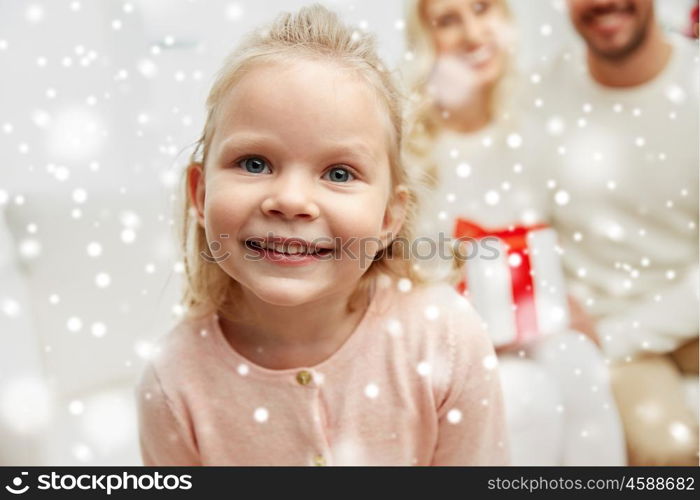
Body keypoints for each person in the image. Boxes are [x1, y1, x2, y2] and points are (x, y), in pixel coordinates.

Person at [135, 5, 509, 466]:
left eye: (338, 172)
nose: (291, 200)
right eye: (255, 163)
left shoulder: (446, 338)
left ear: (390, 215)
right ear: (200, 191)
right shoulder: (172, 381)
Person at [404, 0, 626, 465]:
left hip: (535, 328)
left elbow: (572, 243)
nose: (471, 34)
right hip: (456, 340)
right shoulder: (412, 151)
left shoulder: (534, 128)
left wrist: (574, 304)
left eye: (481, 9)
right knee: (524, 395)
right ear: (427, 41)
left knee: (579, 364)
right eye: (448, 20)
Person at [540, 0, 699, 465]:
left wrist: (622, 334)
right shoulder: (541, 94)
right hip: (608, 332)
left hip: (659, 322)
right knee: (664, 452)